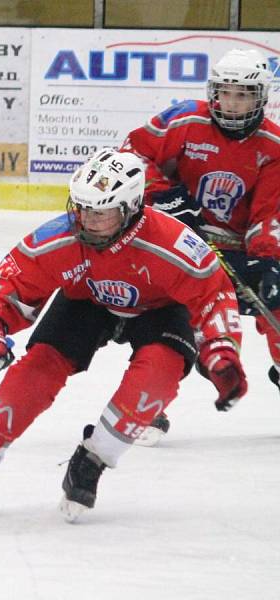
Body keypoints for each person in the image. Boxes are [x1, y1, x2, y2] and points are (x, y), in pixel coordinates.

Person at [0, 149, 247, 522]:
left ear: (130, 209)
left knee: (159, 375)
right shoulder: (60, 235)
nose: (87, 221)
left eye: (100, 212)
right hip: (86, 301)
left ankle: (92, 460)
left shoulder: (172, 244)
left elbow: (215, 294)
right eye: (81, 208)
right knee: (35, 370)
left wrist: (222, 351)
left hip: (159, 308)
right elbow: (12, 285)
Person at [122, 48, 280, 443]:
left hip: (233, 246)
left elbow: (268, 213)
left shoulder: (273, 147)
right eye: (226, 92)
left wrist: (267, 260)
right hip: (173, 238)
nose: (231, 102)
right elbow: (132, 152)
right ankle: (150, 405)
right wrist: (165, 197)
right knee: (166, 314)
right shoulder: (184, 118)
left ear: (260, 98)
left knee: (276, 294)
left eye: (243, 94)